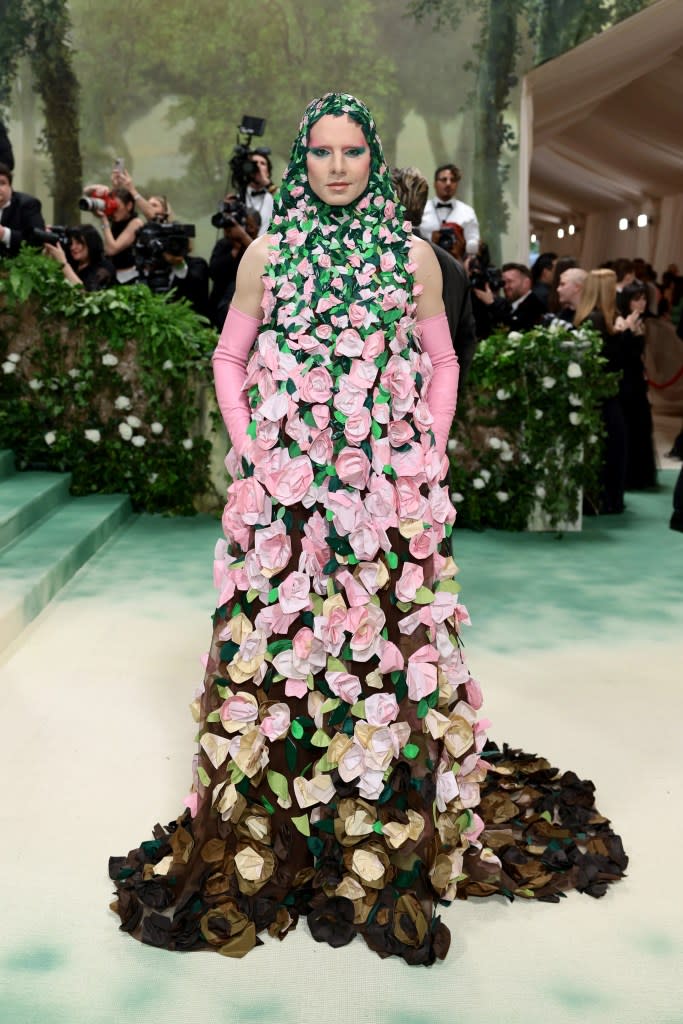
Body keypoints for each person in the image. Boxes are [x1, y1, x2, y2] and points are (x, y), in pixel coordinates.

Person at [109, 93, 626, 965]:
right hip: (287, 501)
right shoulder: (266, 256)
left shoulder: (412, 258)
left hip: (386, 497)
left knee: (381, 646)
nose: (337, 165)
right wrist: (254, 450)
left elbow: (443, 360)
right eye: (321, 152)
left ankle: (375, 800)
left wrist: (424, 450)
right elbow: (228, 357)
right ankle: (294, 807)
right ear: (301, 159)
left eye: (353, 151)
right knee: (286, 647)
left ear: (374, 160)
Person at [391, 164, 477, 386]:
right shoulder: (455, 267)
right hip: (440, 389)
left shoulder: (386, 259)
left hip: (395, 392)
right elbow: (467, 341)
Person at [574, 268, 628, 513]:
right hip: (603, 396)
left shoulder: (595, 318)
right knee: (611, 447)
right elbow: (610, 360)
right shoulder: (600, 320)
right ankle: (606, 500)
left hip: (599, 395)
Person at [614, 282, 657, 490]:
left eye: (643, 299)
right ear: (626, 301)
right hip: (624, 382)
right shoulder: (621, 321)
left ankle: (640, 476)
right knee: (629, 426)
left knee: (642, 426)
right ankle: (627, 477)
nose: (641, 303)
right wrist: (628, 330)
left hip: (637, 381)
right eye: (636, 299)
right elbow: (622, 353)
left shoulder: (642, 322)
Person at [208, 207, 260, 330]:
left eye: (249, 226)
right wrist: (234, 251)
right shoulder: (224, 244)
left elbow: (264, 264)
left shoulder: (260, 245)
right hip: (219, 308)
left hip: (249, 314)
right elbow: (213, 273)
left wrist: (244, 238)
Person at [418, 163, 480, 258]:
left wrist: (463, 244)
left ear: (457, 184)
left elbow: (474, 243)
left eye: (453, 180)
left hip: (457, 264)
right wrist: (430, 238)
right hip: (425, 262)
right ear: (435, 184)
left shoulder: (468, 212)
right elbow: (412, 237)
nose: (448, 183)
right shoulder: (421, 209)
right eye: (443, 179)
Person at [85, 185, 143, 284]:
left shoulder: (136, 223)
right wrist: (101, 189)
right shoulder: (114, 217)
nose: (113, 211)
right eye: (112, 206)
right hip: (112, 273)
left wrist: (104, 220)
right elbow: (86, 191)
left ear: (129, 206)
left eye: (117, 207)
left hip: (130, 276)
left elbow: (112, 249)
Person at [473, 262, 545, 334]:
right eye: (504, 282)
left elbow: (514, 331)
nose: (505, 286)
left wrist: (491, 304)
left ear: (526, 283)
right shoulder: (506, 304)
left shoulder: (535, 306)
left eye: (510, 281)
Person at [43, 224, 115, 291]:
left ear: (91, 243)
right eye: (71, 243)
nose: (73, 247)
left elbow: (87, 294)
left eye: (78, 243)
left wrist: (63, 264)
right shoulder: (72, 260)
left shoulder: (105, 267)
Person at [0, 162, 46, 259]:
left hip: (18, 268)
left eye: (2, 183)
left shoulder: (28, 205)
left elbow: (37, 243)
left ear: (10, 186)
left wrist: (4, 234)